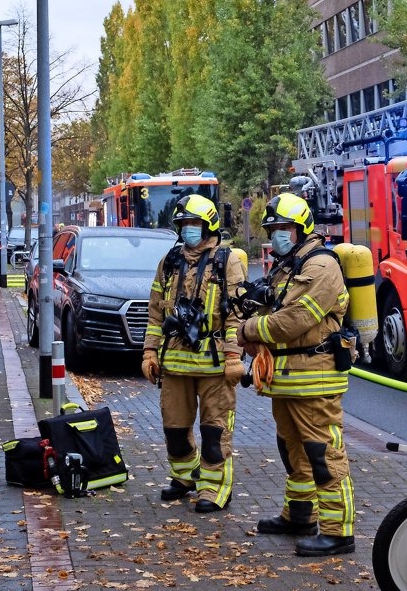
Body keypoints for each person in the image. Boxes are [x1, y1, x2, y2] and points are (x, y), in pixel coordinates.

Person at [239, 192, 356, 557]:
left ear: (302, 228)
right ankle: (299, 515)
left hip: (315, 375)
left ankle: (339, 532)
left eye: (284, 228)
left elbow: (294, 320)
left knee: (324, 454)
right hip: (288, 376)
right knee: (293, 450)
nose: (277, 235)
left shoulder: (320, 266)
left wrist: (248, 329)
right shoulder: (288, 265)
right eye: (273, 229)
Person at [141, 195, 247, 513]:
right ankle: (184, 477)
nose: (188, 229)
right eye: (184, 224)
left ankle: (214, 489)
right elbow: (155, 313)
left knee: (214, 432)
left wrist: (233, 356)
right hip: (174, 364)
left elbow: (236, 314)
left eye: (194, 223)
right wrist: (149, 352)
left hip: (214, 366)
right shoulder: (170, 262)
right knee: (174, 428)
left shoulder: (227, 261)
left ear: (208, 224)